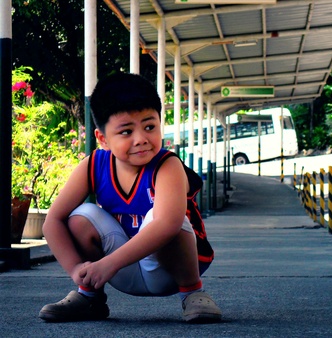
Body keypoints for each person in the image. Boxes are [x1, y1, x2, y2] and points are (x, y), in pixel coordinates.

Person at [38, 72, 222, 323]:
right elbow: (53, 221)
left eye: (149, 126)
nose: (141, 139)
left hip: (170, 271)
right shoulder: (93, 165)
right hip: (120, 270)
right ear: (103, 139)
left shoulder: (167, 165)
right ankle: (88, 296)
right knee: (82, 216)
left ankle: (193, 293)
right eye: (126, 132)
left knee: (164, 218)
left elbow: (168, 224)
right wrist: (77, 269)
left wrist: (109, 264)